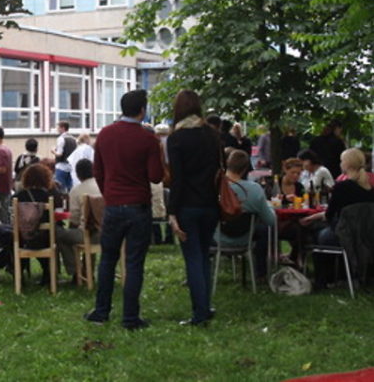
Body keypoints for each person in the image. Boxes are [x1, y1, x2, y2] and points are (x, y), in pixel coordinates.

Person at [84, 90, 163, 330]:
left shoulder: (105, 134)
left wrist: (109, 194)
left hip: (113, 205)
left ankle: (101, 311)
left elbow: (98, 171)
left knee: (108, 259)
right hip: (138, 206)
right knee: (134, 262)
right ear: (142, 110)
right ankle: (130, 317)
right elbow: (156, 176)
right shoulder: (148, 139)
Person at [167, 90, 220, 327]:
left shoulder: (176, 138)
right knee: (204, 255)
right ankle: (205, 306)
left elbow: (177, 179)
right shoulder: (212, 135)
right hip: (211, 204)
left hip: (187, 205)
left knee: (193, 258)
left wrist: (172, 212)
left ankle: (199, 312)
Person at [306, 148, 374, 288]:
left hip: (344, 235)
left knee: (317, 233)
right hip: (366, 236)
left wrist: (312, 218)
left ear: (347, 164)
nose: (340, 163)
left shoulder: (341, 187)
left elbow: (329, 215)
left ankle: (323, 279)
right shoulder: (370, 189)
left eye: (341, 161)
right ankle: (343, 275)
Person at [219, 150, 276, 280]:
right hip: (246, 238)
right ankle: (261, 272)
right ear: (246, 168)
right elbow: (270, 220)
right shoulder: (255, 190)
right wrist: (269, 206)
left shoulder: (216, 187)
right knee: (264, 230)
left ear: (227, 164)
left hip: (217, 238)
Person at [14, 163, 62, 285]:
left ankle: (17, 272)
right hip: (45, 239)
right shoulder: (49, 196)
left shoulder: (18, 196)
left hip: (23, 239)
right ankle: (49, 273)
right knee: (55, 233)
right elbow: (58, 217)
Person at [57, 158, 101, 278]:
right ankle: (87, 271)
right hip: (110, 233)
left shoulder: (76, 191)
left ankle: (76, 271)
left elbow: (74, 219)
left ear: (77, 174)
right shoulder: (103, 186)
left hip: (89, 234)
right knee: (88, 230)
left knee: (60, 235)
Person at [276, 158, 308, 266]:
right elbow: (270, 200)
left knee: (303, 227)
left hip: (294, 220)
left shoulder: (299, 187)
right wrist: (285, 199)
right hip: (277, 221)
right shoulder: (276, 183)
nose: (295, 176)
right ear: (285, 170)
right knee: (299, 229)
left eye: (298, 173)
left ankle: (295, 258)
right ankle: (295, 259)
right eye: (293, 172)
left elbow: (304, 203)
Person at [51, 121, 77, 192]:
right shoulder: (74, 139)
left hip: (61, 166)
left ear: (63, 128)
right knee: (70, 189)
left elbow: (59, 154)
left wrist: (53, 151)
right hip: (71, 166)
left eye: (58, 127)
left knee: (60, 188)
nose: (57, 129)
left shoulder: (61, 139)